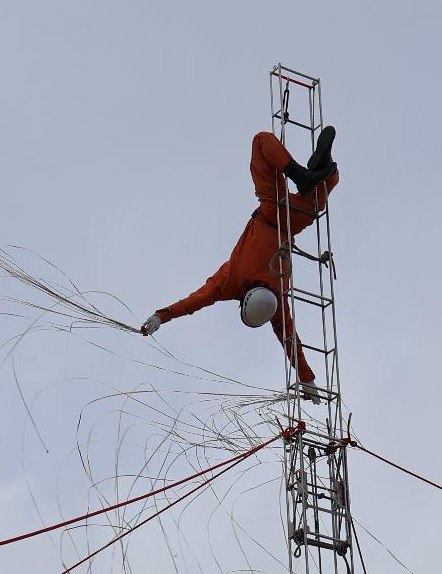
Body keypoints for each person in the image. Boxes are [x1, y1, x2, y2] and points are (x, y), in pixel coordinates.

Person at [140, 126, 340, 400]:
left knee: (320, 192)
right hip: (277, 213)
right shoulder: (234, 286)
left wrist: (307, 379)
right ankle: (312, 172)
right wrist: (161, 316)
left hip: (285, 217)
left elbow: (289, 340)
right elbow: (194, 301)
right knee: (262, 143)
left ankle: (315, 173)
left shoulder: (255, 291)